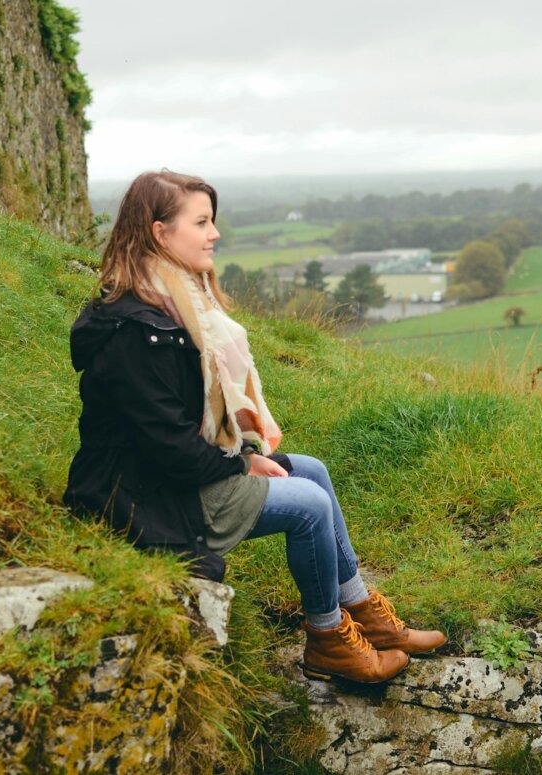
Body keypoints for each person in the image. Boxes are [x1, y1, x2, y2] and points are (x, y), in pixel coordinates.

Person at [63, 170, 446, 684]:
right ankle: (327, 639)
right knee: (307, 506)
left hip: (172, 475)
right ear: (160, 233)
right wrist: (242, 461)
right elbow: (168, 447)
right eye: (201, 222)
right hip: (143, 495)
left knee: (312, 470)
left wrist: (242, 454)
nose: (214, 233)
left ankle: (364, 614)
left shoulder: (175, 307)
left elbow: (185, 430)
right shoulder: (138, 331)